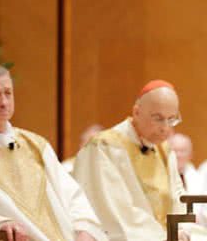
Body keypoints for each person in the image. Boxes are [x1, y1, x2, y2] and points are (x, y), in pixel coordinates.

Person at [0, 63, 105, 241]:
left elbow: (72, 195)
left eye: (8, 93)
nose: (4, 102)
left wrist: (84, 229)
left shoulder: (36, 145)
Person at [73, 80, 199, 241]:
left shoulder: (163, 149)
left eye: (172, 119)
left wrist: (181, 229)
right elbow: (116, 209)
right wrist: (163, 236)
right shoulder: (105, 148)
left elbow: (178, 195)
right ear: (137, 112)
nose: (165, 128)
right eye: (158, 118)